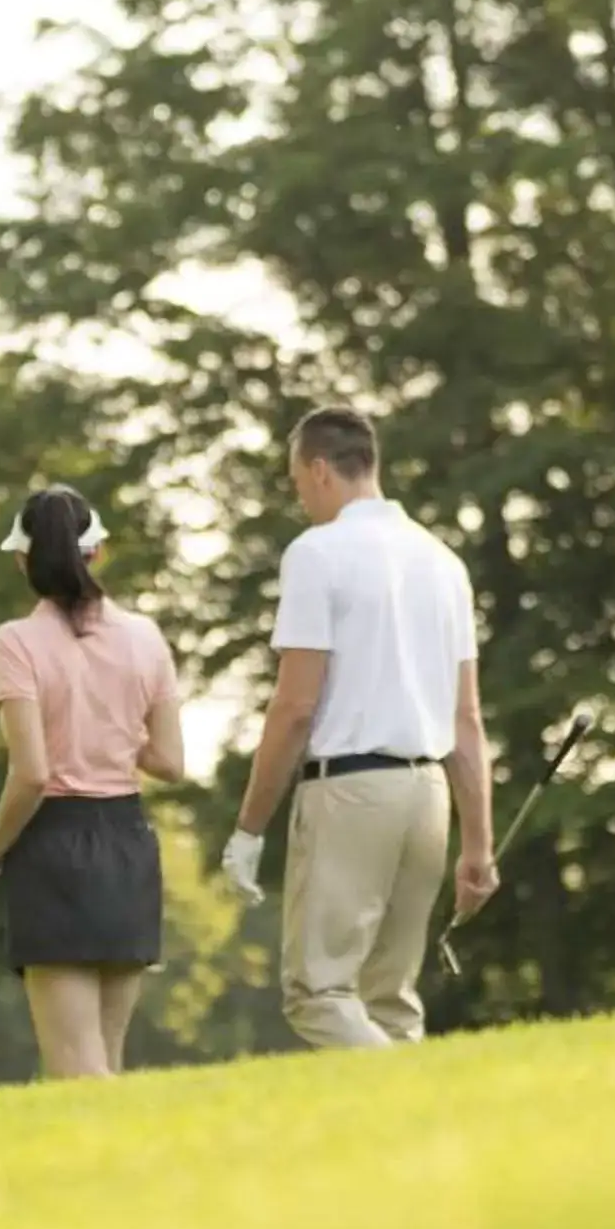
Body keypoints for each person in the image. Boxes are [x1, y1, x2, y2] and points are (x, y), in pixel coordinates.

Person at [218, 408, 496, 1048]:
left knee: (318, 994)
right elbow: (467, 719)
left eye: (296, 483)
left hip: (350, 792)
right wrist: (477, 845)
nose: (299, 498)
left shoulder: (315, 554)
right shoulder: (442, 561)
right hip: (428, 797)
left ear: (319, 470)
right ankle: (421, 1134)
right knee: (390, 999)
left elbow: (294, 707)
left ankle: (411, 1099)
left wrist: (249, 829)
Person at [0, 486, 187, 1080]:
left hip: (56, 847)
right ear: (99, 553)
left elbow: (32, 773)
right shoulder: (146, 638)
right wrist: (112, 730)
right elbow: (170, 762)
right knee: (106, 1054)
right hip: (129, 842)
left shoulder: (14, 642)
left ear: (22, 560)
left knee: (75, 1068)